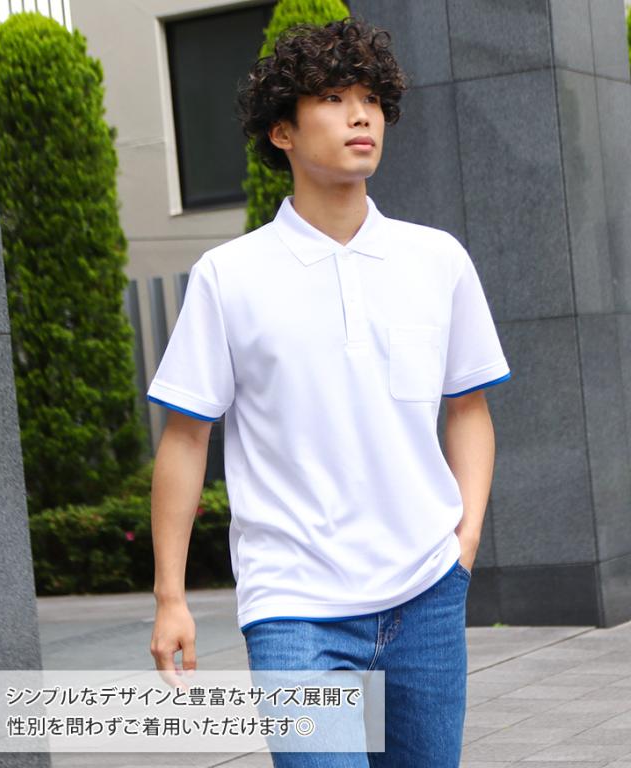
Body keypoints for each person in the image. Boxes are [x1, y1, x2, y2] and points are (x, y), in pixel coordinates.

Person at [147, 14, 511, 767]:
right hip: (293, 608)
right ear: (281, 130)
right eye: (334, 98)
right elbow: (185, 438)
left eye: (371, 99)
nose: (361, 116)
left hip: (426, 595)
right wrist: (170, 597)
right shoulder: (230, 277)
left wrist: (464, 542)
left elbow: (468, 408)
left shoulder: (436, 260)